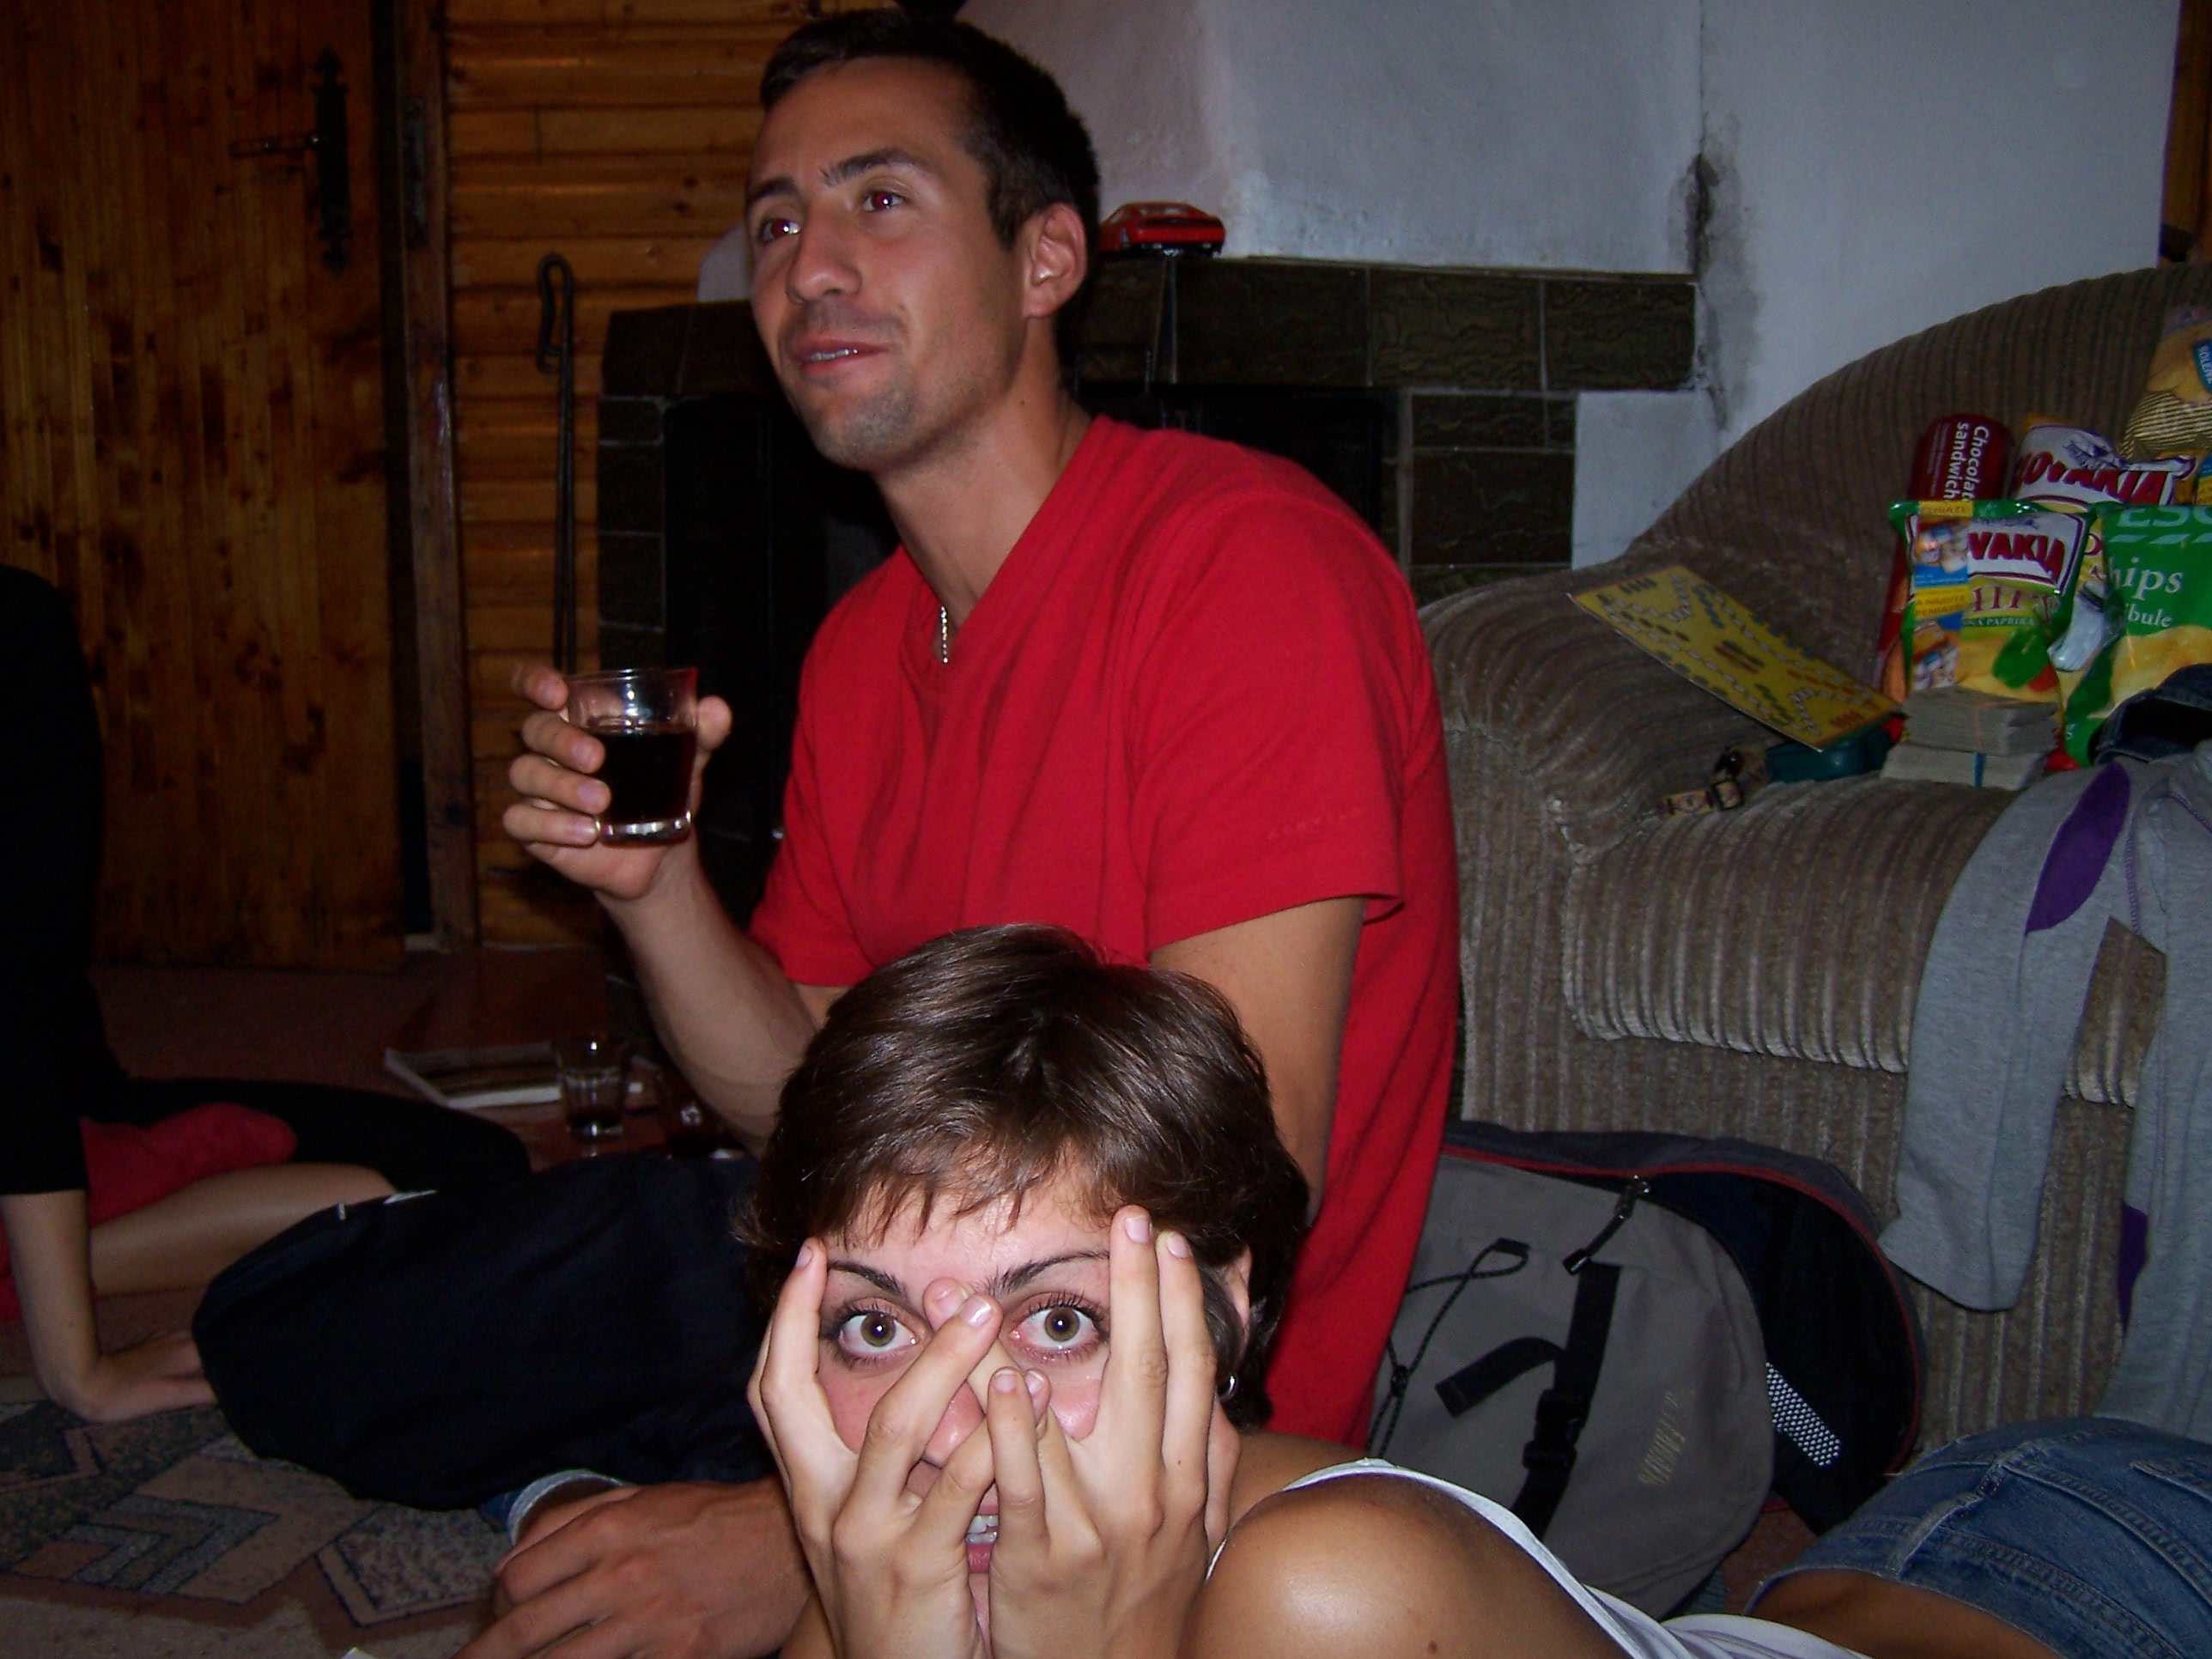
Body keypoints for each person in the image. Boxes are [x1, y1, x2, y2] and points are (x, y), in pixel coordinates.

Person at [481, 12, 1454, 1656]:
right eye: (775, 222)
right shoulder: (866, 645)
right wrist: (651, 889)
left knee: (533, 1360)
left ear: (1047, 258)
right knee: (382, 1306)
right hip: (908, 1291)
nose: (807, 268)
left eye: (880, 201)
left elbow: (1234, 1183)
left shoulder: (1243, 573)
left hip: (1133, 1411)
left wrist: (811, 1528)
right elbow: (795, 1088)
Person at [746, 923, 2209, 1659]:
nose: (953, 1426)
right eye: (876, 1324)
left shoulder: (1324, 1594)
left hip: (2084, 1560)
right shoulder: (888, 1563)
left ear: (1222, 1311)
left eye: (1059, 1319)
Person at [0, 566, 526, 1425]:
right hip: (45, 1106)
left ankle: (33, 1263)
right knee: (446, 1187)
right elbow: (15, 1001)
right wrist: (77, 1369)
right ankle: (32, 1270)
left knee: (464, 1174)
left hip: (62, 1101)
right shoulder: (15, 627)